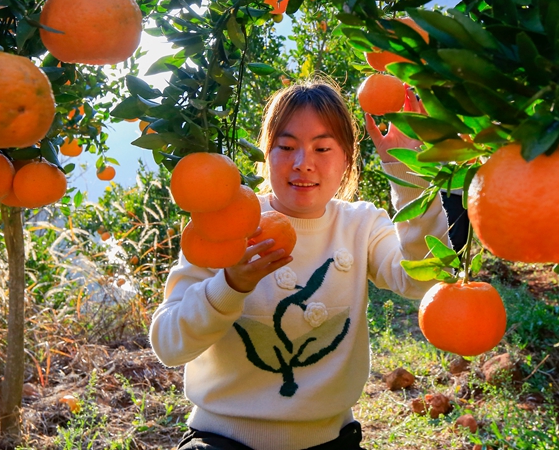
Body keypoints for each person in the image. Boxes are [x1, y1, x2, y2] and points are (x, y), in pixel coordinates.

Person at [149, 79, 450, 450]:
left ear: (347, 158)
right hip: (221, 440)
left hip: (328, 441)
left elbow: (424, 281)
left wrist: (410, 173)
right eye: (286, 146)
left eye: (322, 147)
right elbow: (168, 345)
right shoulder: (226, 221)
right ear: (266, 153)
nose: (302, 163)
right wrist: (229, 286)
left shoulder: (360, 224)